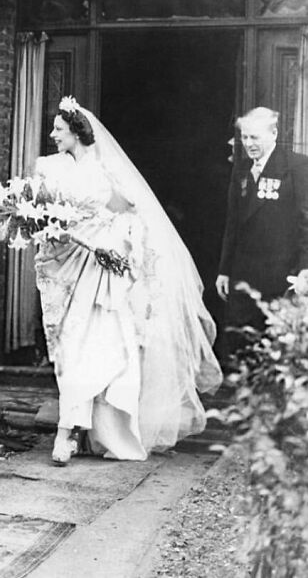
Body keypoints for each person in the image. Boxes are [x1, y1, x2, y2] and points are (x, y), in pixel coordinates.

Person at [34, 96, 222, 464]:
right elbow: (45, 218)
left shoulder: (108, 172)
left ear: (76, 132)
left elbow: (133, 219)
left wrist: (113, 249)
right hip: (70, 266)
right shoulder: (50, 169)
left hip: (104, 275)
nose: (53, 134)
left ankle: (90, 434)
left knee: (103, 350)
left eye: (59, 129)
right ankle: (71, 431)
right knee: (72, 351)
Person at [216, 106, 308, 366]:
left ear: (274, 134)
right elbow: (233, 224)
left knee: (275, 344)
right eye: (244, 137)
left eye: (254, 137)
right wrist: (224, 270)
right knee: (241, 345)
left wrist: (304, 269)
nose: (248, 144)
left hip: (281, 272)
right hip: (244, 271)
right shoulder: (242, 170)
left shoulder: (297, 166)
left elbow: (306, 222)